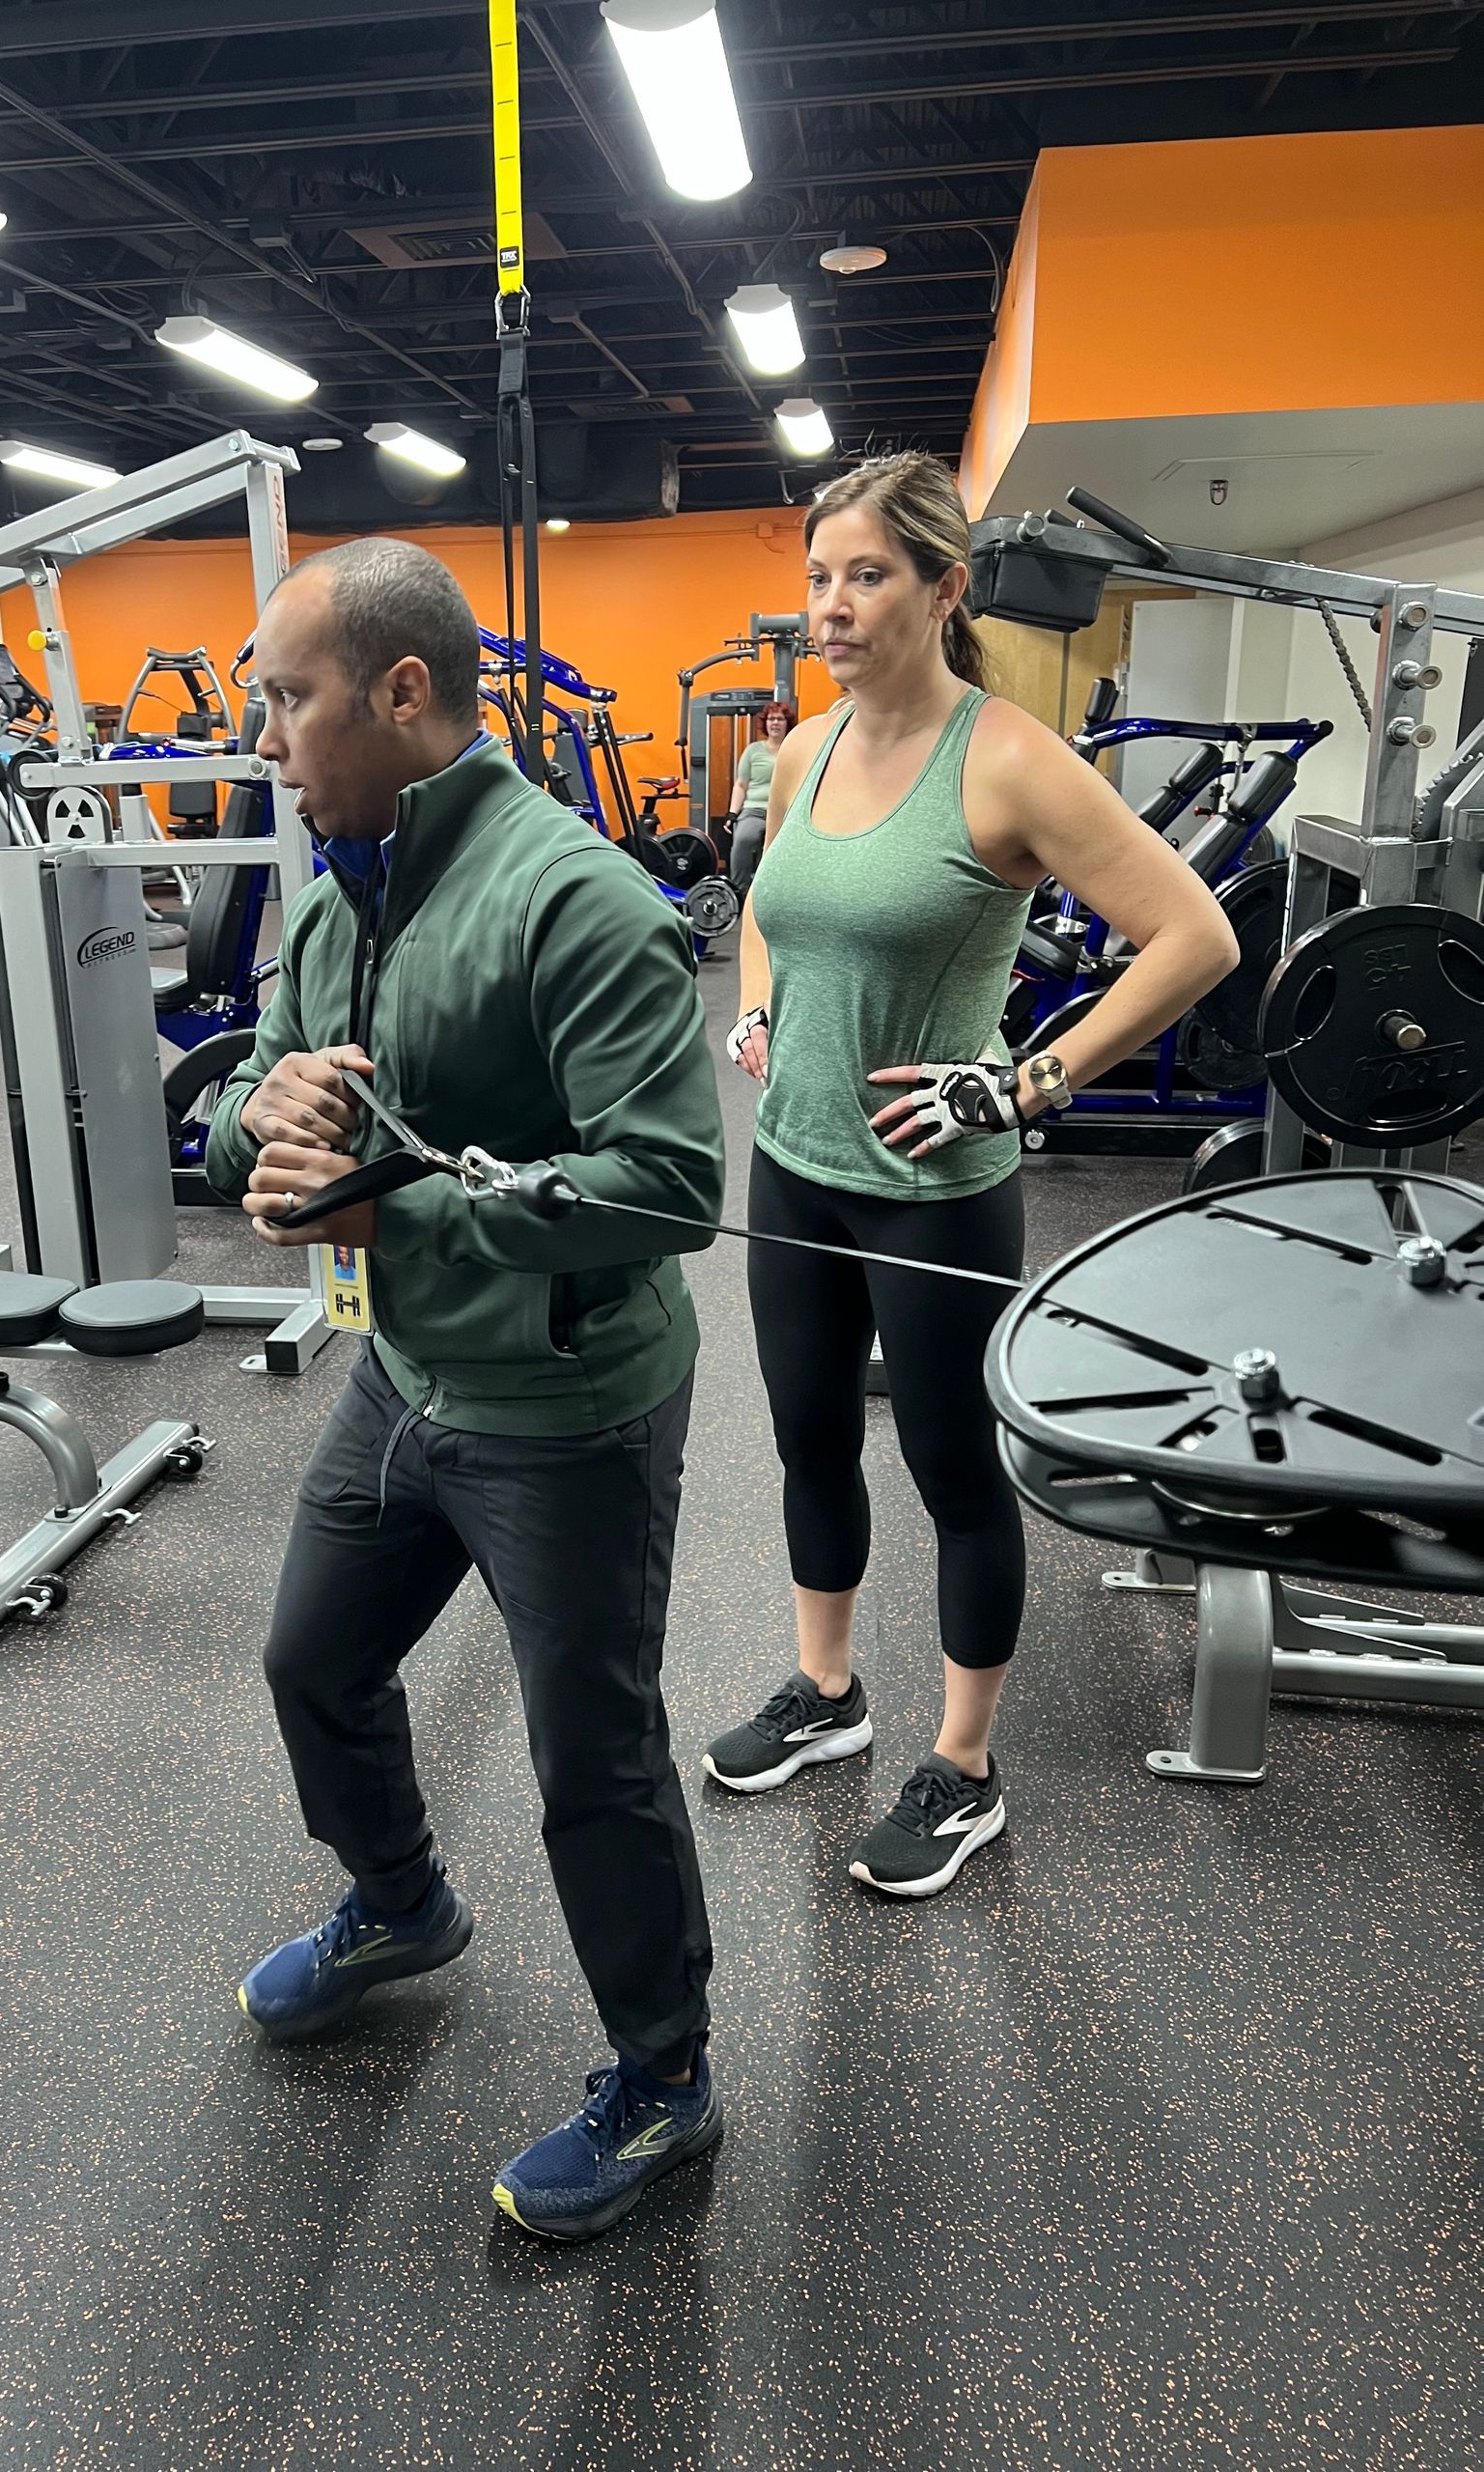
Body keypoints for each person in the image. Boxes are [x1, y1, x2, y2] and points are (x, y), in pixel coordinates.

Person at [206, 536, 727, 2244]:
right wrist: (258, 1136)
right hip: (406, 1372)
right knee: (314, 1660)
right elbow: (269, 1102)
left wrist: (391, 1200)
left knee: (596, 1760)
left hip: (566, 1410)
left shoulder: (571, 897)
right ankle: (399, 1901)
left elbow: (667, 1189)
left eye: (288, 699)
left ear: (402, 691)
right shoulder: (334, 874)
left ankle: (665, 2086)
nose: (266, 740)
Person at [703, 452, 1238, 1896]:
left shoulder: (1006, 759)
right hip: (798, 1167)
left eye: (866, 575)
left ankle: (965, 1766)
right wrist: (758, 1003)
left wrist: (1029, 1080)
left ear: (944, 590)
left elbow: (1195, 938)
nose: (831, 604)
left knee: (951, 1474)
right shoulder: (805, 749)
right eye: (818, 576)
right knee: (810, 1437)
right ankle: (829, 1693)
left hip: (937, 1186)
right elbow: (765, 906)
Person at [728, 701, 793, 896]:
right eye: (771, 719)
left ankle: (778, 894)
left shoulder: (794, 748)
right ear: (765, 723)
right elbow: (741, 784)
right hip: (754, 809)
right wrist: (732, 813)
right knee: (743, 839)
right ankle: (737, 892)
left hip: (786, 811)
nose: (775, 723)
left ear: (787, 723)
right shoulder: (753, 751)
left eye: (780, 719)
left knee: (784, 848)